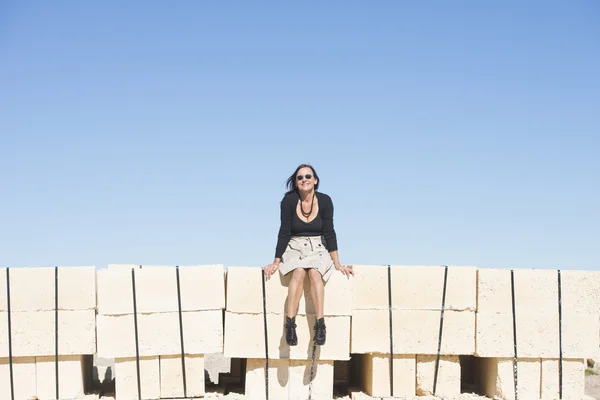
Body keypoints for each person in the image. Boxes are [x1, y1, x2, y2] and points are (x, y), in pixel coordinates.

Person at [263, 164, 354, 347]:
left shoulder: (325, 201)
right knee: (298, 272)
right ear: (296, 183)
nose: (304, 179)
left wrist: (337, 263)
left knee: (314, 272)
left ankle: (320, 326)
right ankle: (290, 325)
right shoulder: (288, 201)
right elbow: (284, 231)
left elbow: (330, 232)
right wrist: (275, 261)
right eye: (300, 177)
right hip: (295, 245)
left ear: (315, 180)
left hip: (318, 246)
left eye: (308, 176)